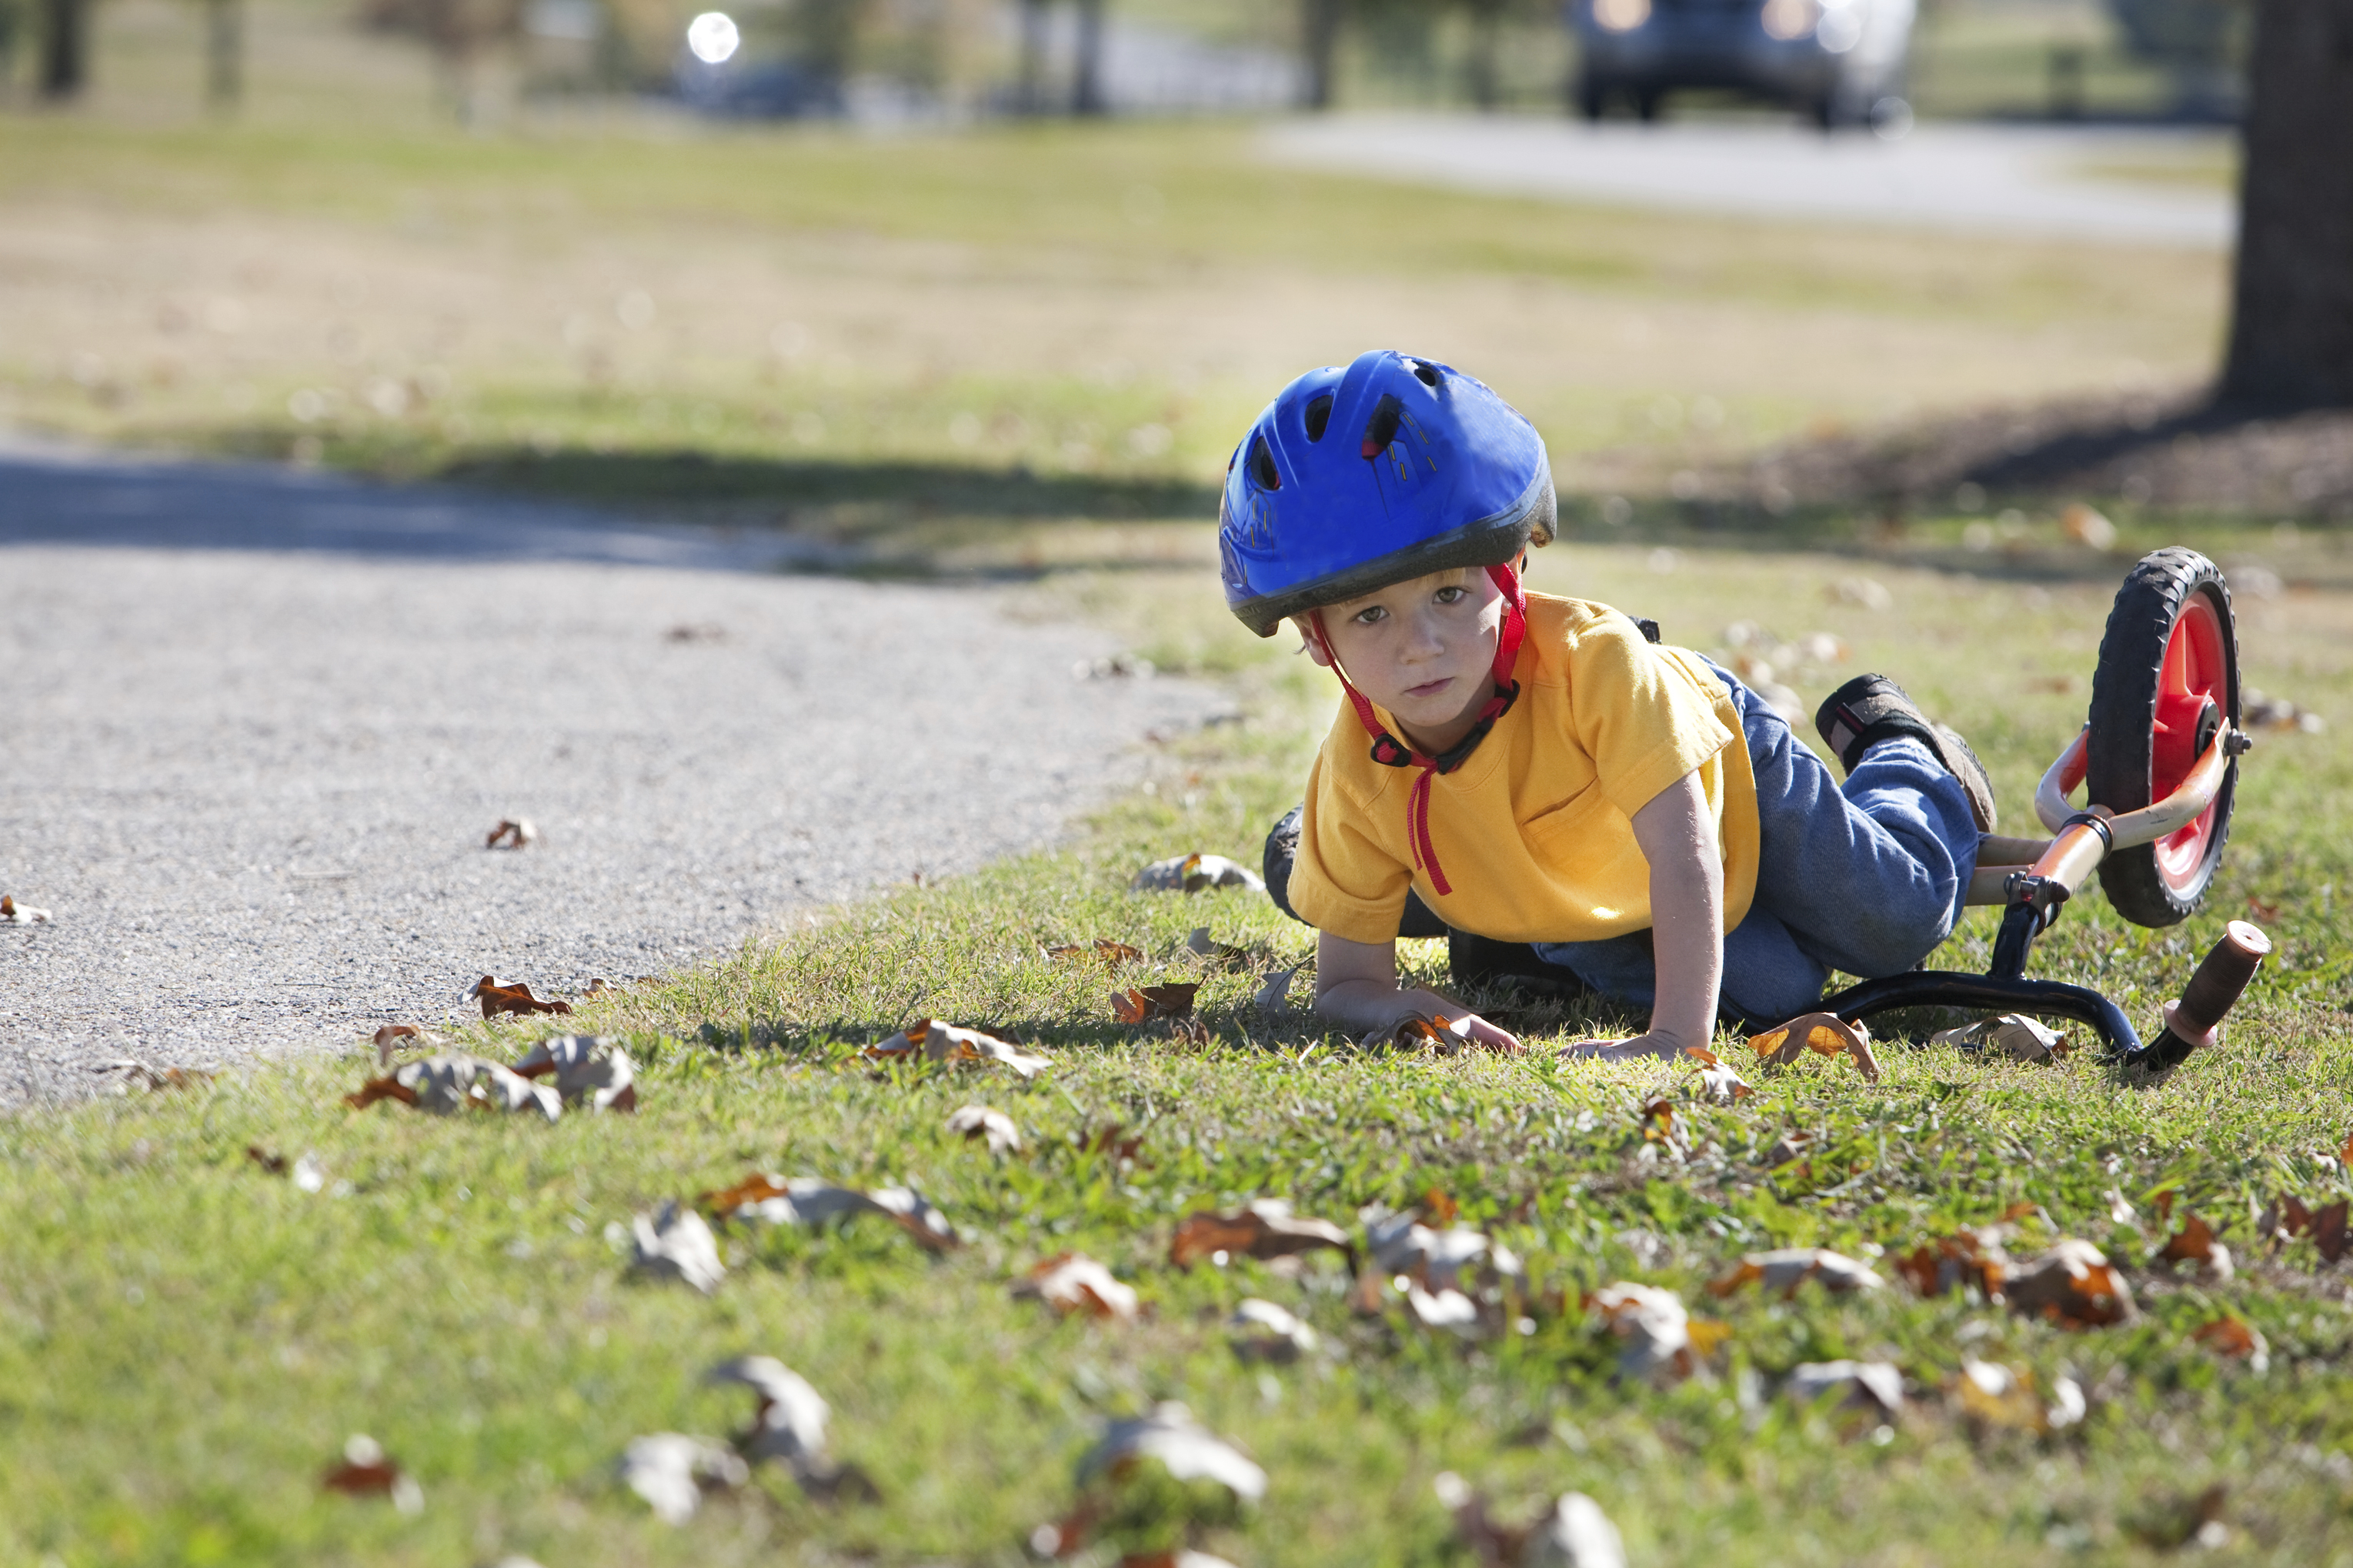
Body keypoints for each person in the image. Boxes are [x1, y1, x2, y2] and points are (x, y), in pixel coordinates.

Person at [1223, 350, 1995, 1058]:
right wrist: (1418, 1007)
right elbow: (1344, 987)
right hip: (1574, 882)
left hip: (1722, 769)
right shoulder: (1357, 773)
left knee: (1896, 922)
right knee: (1773, 994)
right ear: (1317, 640)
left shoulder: (1600, 670)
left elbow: (1684, 849)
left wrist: (1676, 1037)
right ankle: (1509, 939)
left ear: (1509, 573)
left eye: (1450, 594)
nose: (1419, 644)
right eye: (1369, 616)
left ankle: (1898, 746)